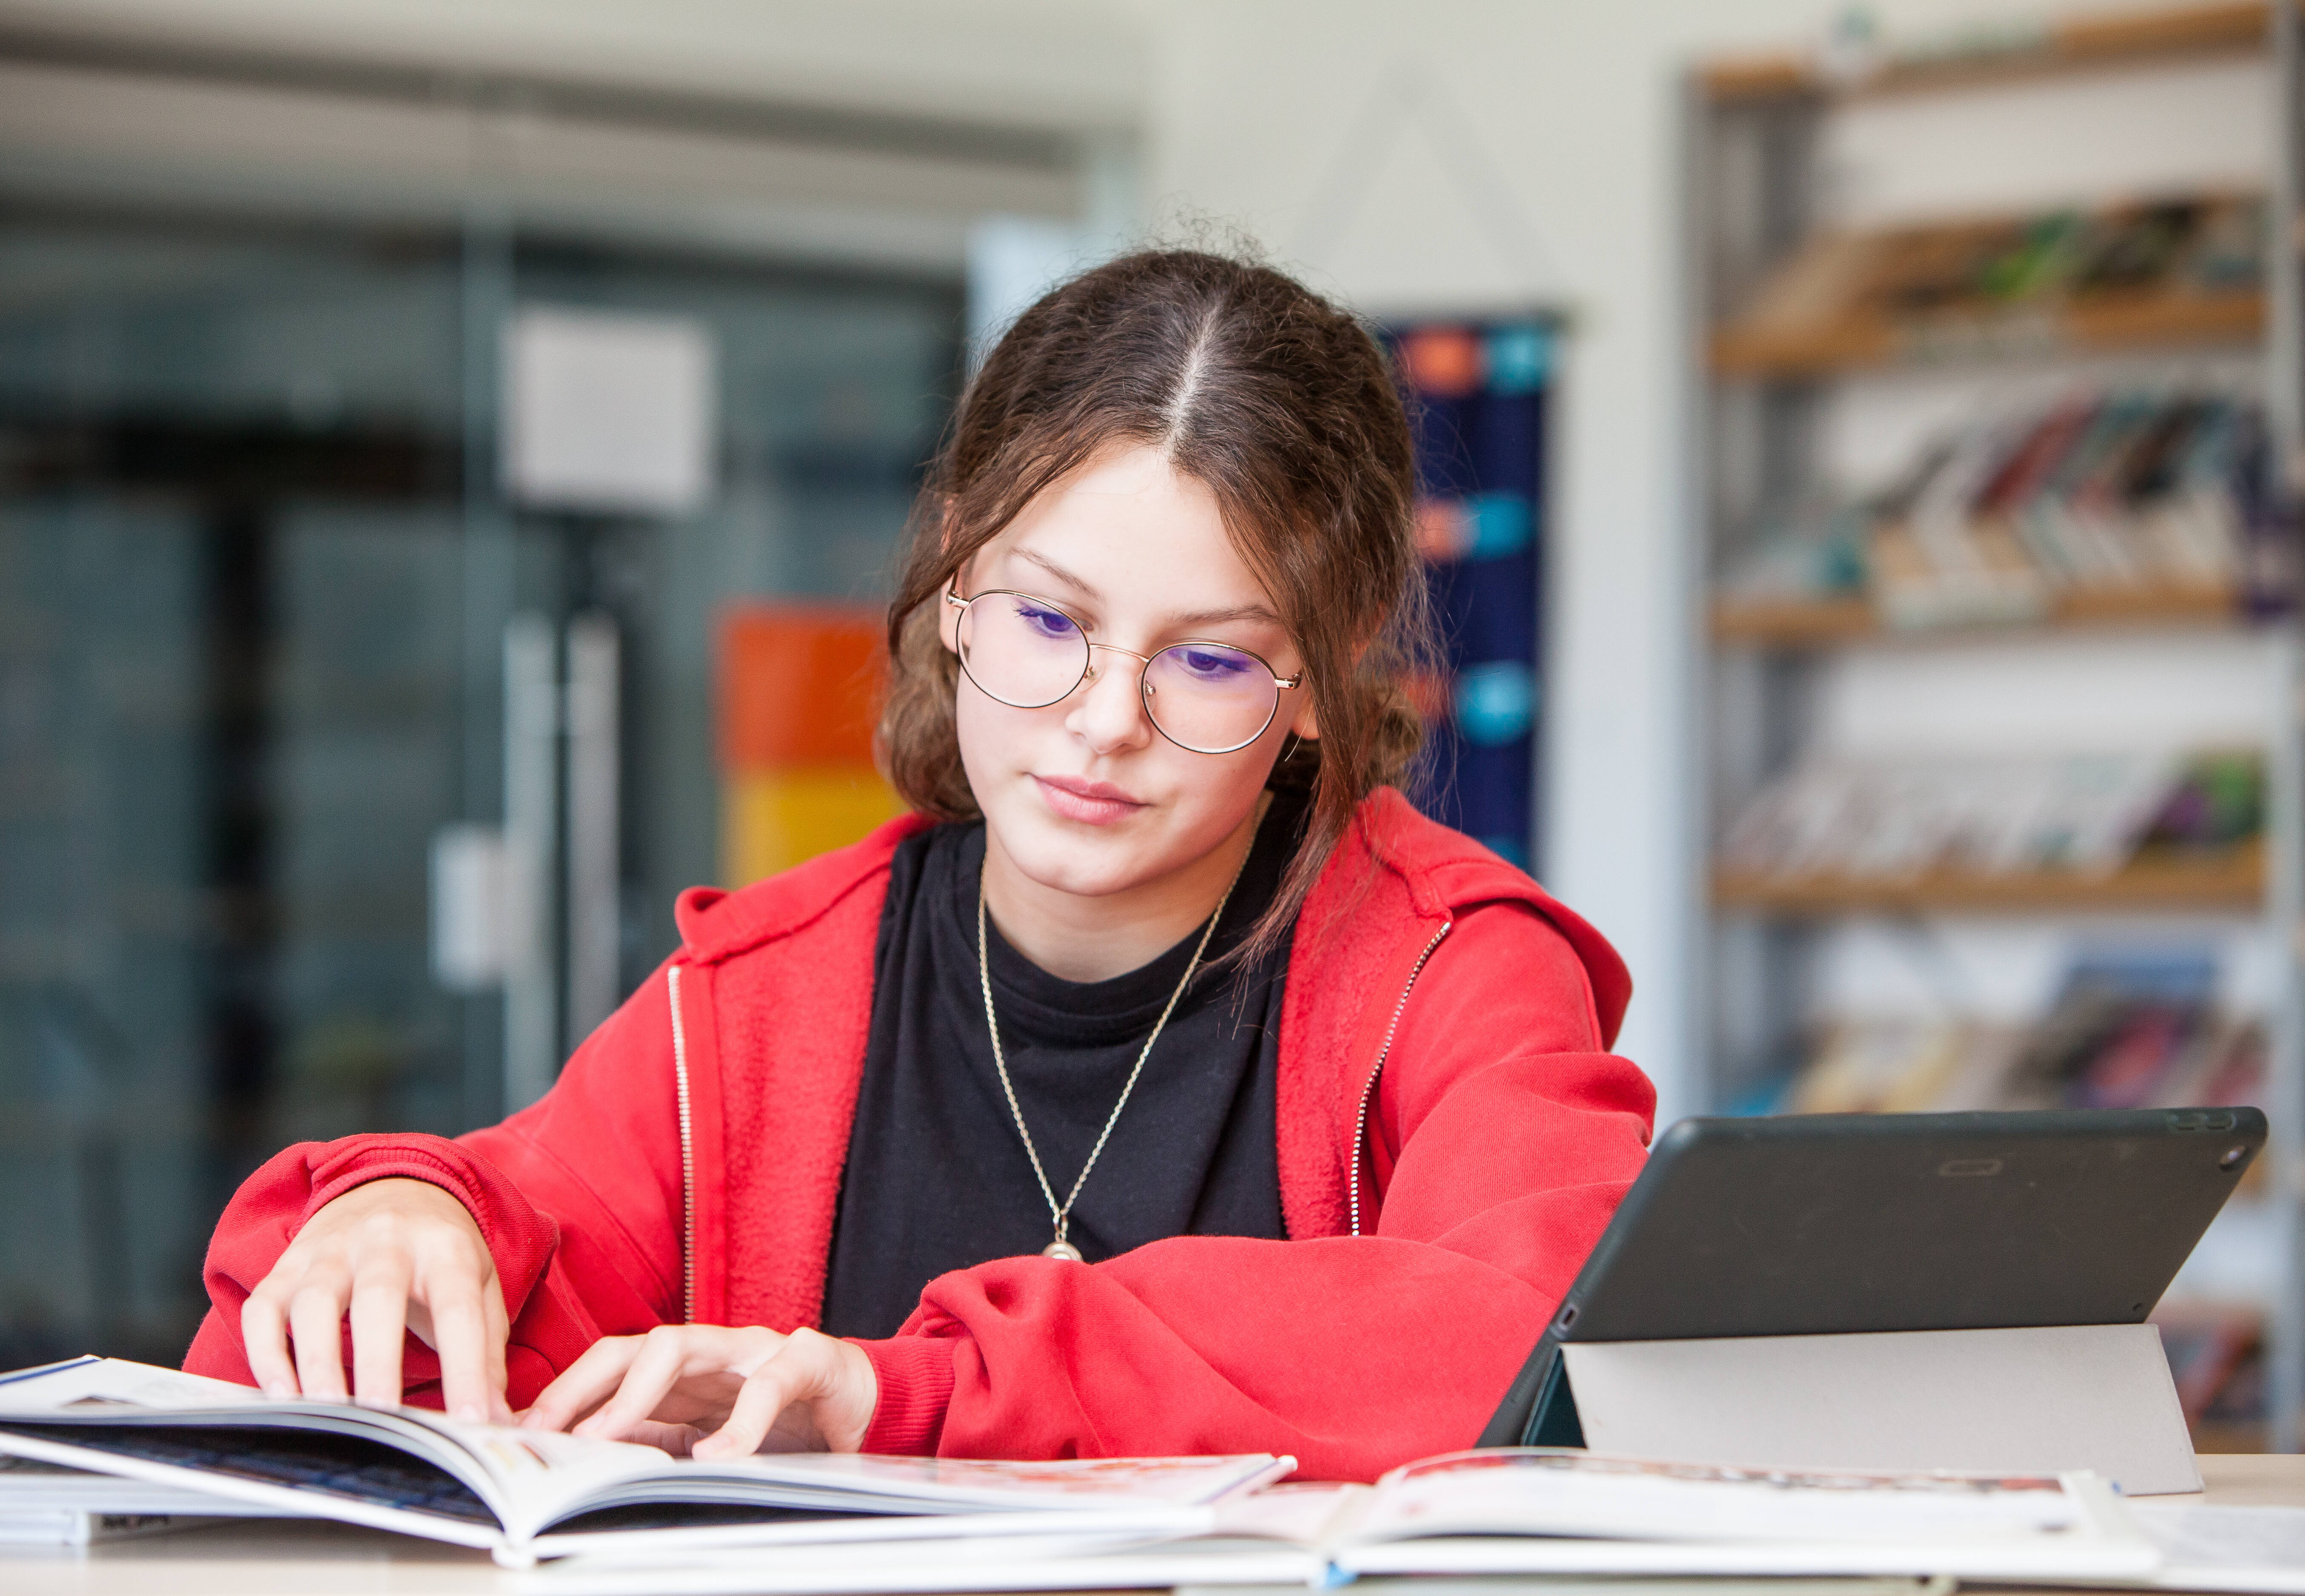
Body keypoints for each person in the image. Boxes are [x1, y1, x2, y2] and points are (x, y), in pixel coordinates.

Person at [184, 248, 1655, 1482]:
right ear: (956, 580)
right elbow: (478, 1303)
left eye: (1208, 658)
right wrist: (404, 1214)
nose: (1102, 724)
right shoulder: (756, 1003)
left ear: (1321, 686)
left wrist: (912, 1396)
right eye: (1046, 621)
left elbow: (1520, 1333)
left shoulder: (1453, 971)